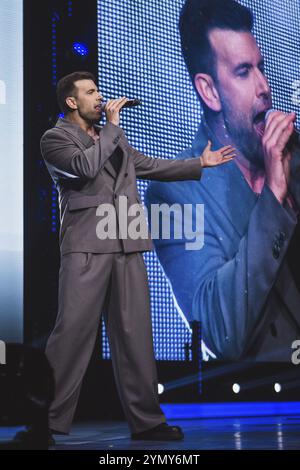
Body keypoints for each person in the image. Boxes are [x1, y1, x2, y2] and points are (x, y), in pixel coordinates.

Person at [32, 70, 234, 444]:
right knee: (72, 336)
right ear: (71, 101)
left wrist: (198, 165)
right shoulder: (55, 138)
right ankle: (45, 421)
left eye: (98, 91)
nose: (100, 97)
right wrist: (111, 126)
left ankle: (147, 422)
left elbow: (146, 165)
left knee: (136, 338)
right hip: (87, 247)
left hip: (128, 244)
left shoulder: (111, 138)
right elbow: (84, 168)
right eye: (91, 92)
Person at [146, 0, 300, 362]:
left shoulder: (297, 155)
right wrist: (274, 198)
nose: (264, 86)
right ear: (209, 90)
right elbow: (219, 329)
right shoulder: (173, 192)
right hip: (263, 407)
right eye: (244, 72)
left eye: (260, 67)